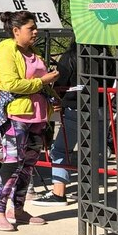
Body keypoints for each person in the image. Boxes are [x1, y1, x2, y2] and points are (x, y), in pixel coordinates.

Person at [0, 10, 60, 231]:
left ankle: (17, 210)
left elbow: (38, 80)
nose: (36, 31)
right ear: (16, 31)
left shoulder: (32, 50)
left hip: (37, 115)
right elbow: (11, 84)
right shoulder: (5, 49)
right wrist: (42, 81)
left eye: (35, 27)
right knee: (12, 164)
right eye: (31, 28)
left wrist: (54, 98)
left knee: (28, 165)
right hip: (16, 115)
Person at [34, 42, 79, 206]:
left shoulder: (70, 57)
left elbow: (59, 82)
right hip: (101, 109)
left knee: (60, 150)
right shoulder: (107, 57)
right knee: (94, 151)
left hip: (74, 108)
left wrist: (56, 97)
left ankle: (58, 193)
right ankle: (90, 191)